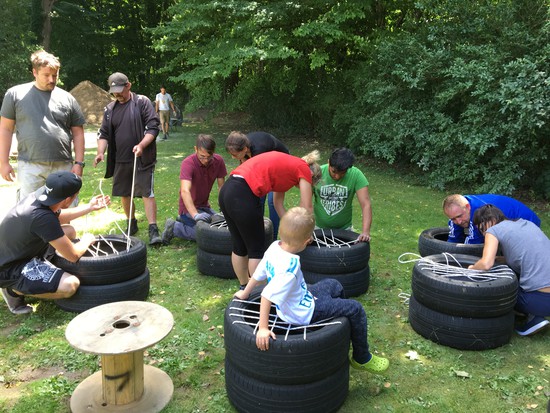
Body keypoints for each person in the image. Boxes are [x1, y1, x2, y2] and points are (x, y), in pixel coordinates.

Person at [234, 207, 389, 373]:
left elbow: (259, 272)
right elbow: (266, 294)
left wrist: (245, 292)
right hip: (303, 313)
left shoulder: (274, 246)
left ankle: (340, 333)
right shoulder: (289, 268)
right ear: (307, 241)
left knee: (333, 284)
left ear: (280, 230)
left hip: (304, 297)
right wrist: (263, 328)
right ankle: (362, 357)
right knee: (356, 309)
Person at [0, 171, 110, 315]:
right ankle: (13, 289)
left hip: (17, 253)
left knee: (69, 231)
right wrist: (87, 240)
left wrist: (89, 207)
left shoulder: (37, 199)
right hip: (10, 269)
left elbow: (56, 218)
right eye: (75, 195)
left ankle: (38, 275)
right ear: (67, 200)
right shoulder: (42, 217)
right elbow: (73, 256)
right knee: (70, 285)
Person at [218, 150, 321, 289]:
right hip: (243, 194)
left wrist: (292, 231)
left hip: (228, 190)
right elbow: (307, 208)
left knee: (240, 246)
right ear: (312, 176)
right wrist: (306, 235)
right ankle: (259, 294)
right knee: (256, 249)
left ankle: (245, 287)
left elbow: (278, 204)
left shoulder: (288, 168)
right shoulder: (303, 169)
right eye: (310, 184)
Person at [0, 50, 86, 202]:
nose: (52, 79)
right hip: (29, 166)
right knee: (29, 212)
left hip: (63, 166)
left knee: (64, 212)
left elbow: (78, 133)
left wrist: (79, 163)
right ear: (34, 72)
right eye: (46, 75)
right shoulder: (15, 95)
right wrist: (4, 162)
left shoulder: (68, 98)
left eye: (55, 75)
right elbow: (5, 129)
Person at [93, 72, 162, 245]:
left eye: (120, 91)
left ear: (128, 86)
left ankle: (153, 229)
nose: (118, 95)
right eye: (114, 92)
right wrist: (100, 152)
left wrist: (141, 145)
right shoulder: (110, 109)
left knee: (147, 192)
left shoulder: (142, 102)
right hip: (120, 159)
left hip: (142, 157)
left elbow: (153, 128)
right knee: (124, 193)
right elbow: (104, 134)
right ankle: (131, 224)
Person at [468, 205, 550, 336]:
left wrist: (472, 268)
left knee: (494, 291)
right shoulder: (526, 223)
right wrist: (500, 259)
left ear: (490, 220)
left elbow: (485, 264)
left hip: (541, 300)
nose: (483, 233)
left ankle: (534, 318)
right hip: (545, 297)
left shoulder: (493, 230)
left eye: (482, 229)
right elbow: (525, 255)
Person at [161, 134, 227, 244]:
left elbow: (222, 187)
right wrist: (195, 214)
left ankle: (185, 222)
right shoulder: (188, 164)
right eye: (202, 156)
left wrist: (223, 207)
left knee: (220, 226)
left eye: (209, 156)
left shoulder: (218, 161)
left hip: (205, 207)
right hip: (188, 209)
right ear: (195, 149)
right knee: (207, 235)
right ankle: (175, 227)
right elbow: (185, 191)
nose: (205, 160)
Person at [225, 131, 289, 238]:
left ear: (245, 149)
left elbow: (260, 177)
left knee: (272, 202)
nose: (233, 157)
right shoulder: (242, 144)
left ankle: (272, 236)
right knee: (258, 199)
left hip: (281, 165)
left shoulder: (259, 150)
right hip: (267, 163)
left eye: (235, 155)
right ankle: (260, 232)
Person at [313, 148, 372, 242]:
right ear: (328, 162)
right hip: (317, 228)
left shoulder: (356, 175)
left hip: (345, 230)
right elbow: (305, 204)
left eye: (342, 173)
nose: (337, 176)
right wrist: (306, 230)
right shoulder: (317, 174)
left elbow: (366, 204)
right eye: (334, 172)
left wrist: (365, 232)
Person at [442, 194, 540, 244]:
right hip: (510, 219)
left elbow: (471, 246)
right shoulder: (460, 209)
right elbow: (453, 239)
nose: (458, 221)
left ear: (467, 207)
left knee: (513, 254)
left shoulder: (479, 212)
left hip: (526, 221)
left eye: (459, 216)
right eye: (453, 219)